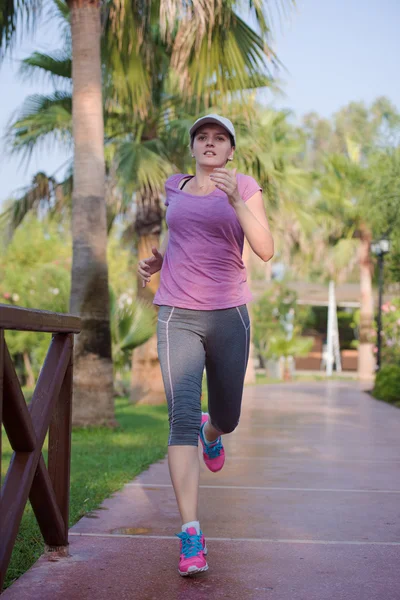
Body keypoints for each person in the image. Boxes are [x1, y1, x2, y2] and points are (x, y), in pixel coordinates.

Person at [137, 114, 274, 576]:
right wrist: (160, 261)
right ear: (193, 146)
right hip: (176, 313)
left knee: (227, 417)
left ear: (230, 150)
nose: (210, 143)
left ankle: (211, 434)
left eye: (220, 138)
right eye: (203, 137)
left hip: (229, 313)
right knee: (179, 417)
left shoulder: (246, 186)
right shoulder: (174, 186)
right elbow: (182, 239)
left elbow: (265, 248)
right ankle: (190, 535)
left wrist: (236, 198)